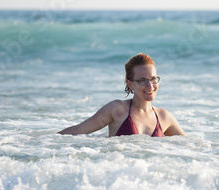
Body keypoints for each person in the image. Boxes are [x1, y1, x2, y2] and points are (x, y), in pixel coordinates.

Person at [59, 53, 187, 137]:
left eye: (153, 79)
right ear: (130, 84)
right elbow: (77, 131)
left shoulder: (164, 117)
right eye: (142, 80)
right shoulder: (117, 110)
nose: (150, 86)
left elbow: (192, 147)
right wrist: (45, 142)